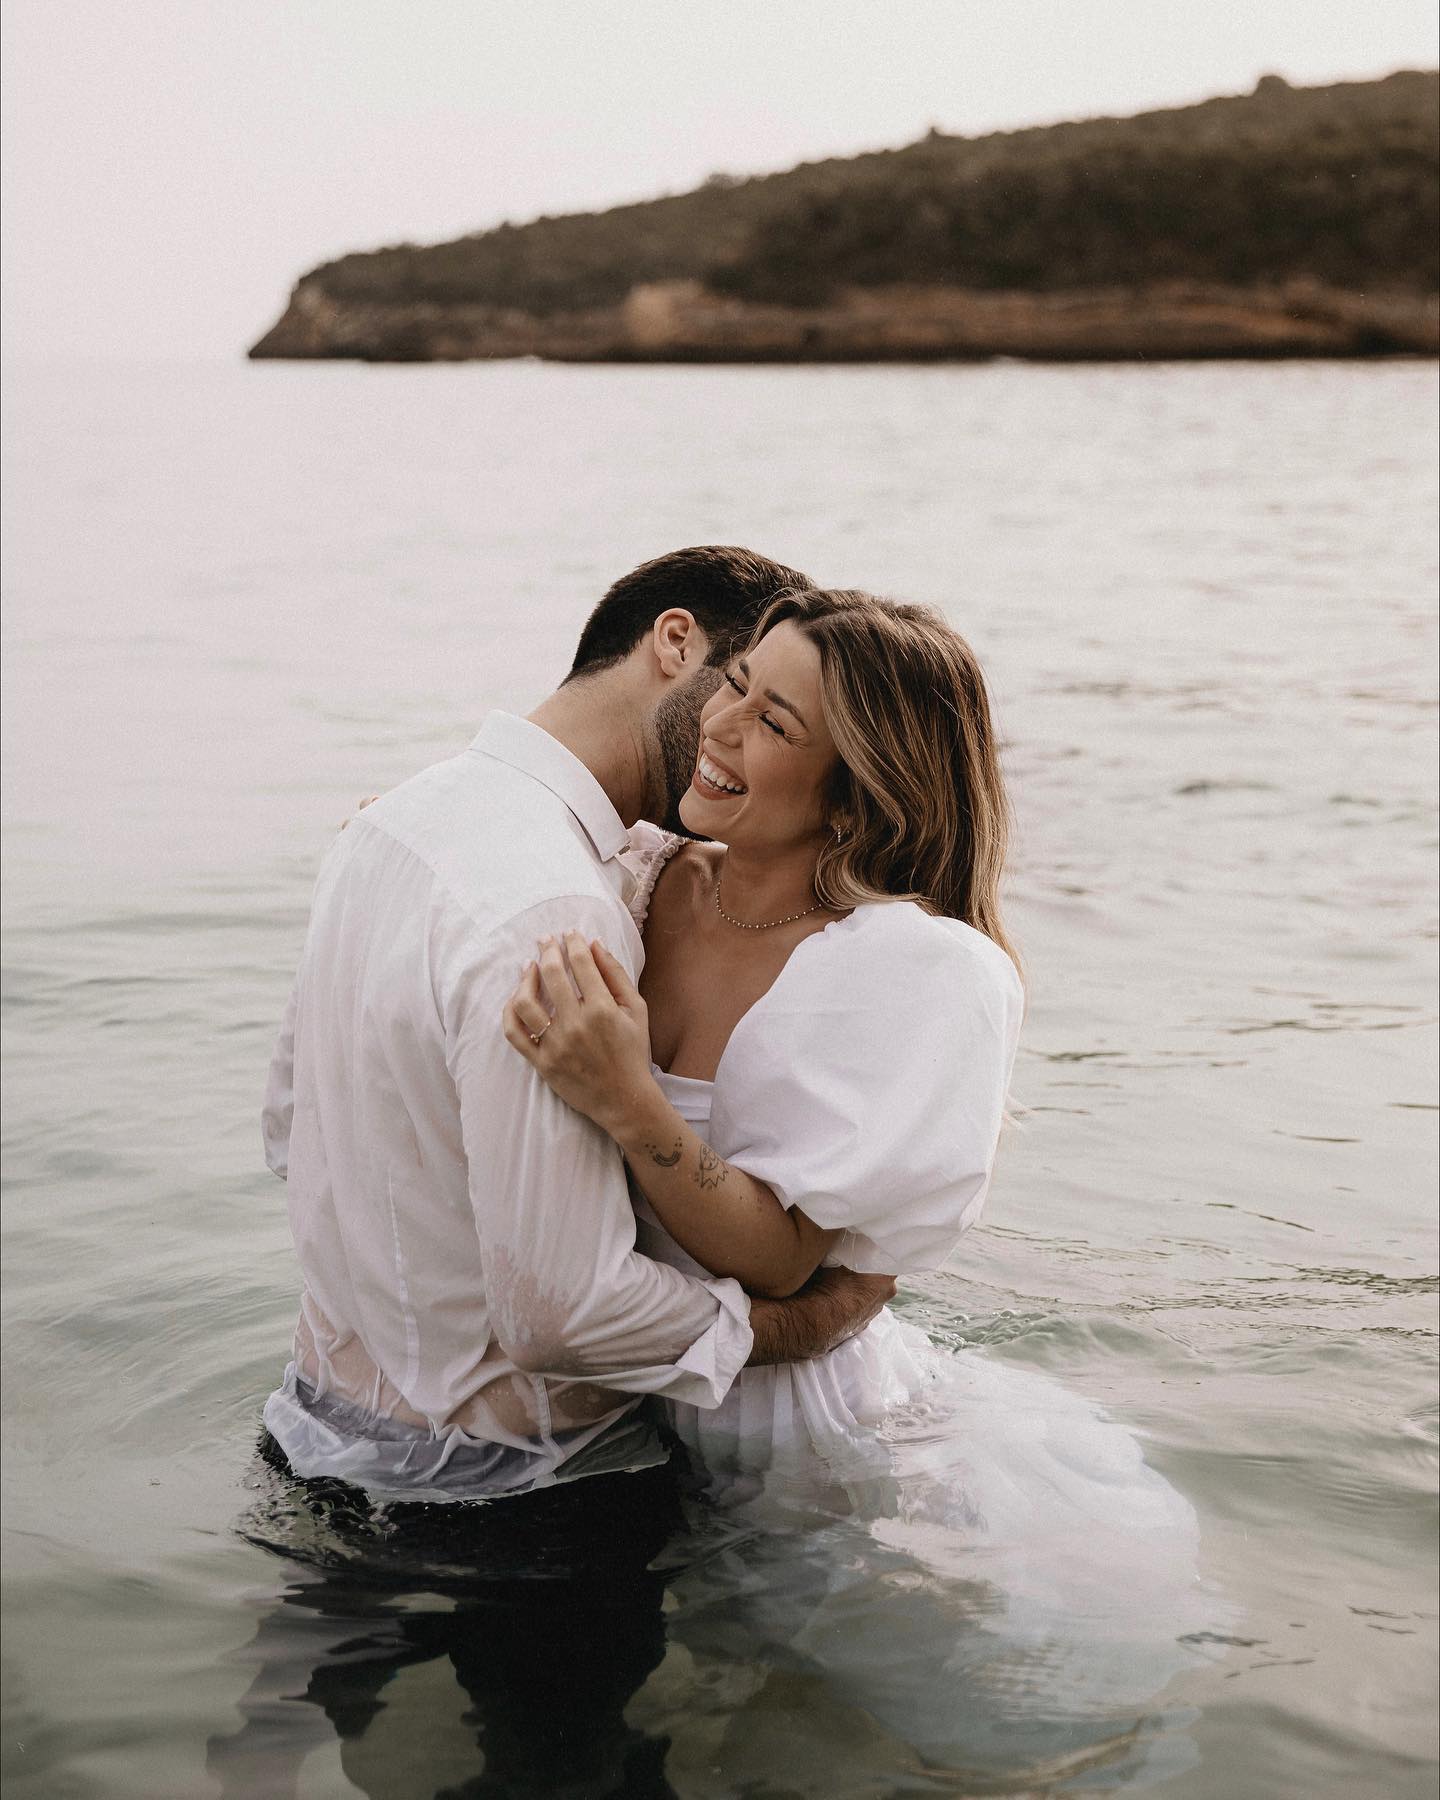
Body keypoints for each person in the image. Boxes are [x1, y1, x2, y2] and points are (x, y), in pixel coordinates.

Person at [503, 588, 1208, 1777]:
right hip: (644, 1403)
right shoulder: (643, 873)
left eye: (776, 724)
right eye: (736, 684)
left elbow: (776, 1256)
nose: (721, 727)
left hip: (800, 1450)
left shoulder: (895, 967)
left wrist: (627, 1099)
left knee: (853, 1734)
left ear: (856, 789)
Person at [228, 549, 896, 1796]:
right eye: (746, 687)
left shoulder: (397, 819)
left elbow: (286, 1130)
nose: (745, 740)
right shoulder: (555, 912)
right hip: (517, 1504)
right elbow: (564, 1310)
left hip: (314, 1435)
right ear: (676, 645)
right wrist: (792, 1322)